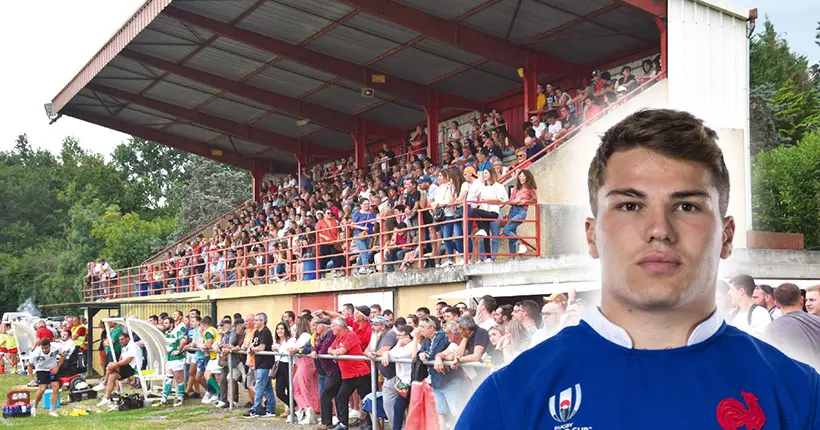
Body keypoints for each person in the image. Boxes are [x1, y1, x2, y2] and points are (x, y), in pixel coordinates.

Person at [457, 109, 820, 429]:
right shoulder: (508, 402)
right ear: (592, 234)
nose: (659, 229)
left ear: (726, 237)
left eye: (687, 206)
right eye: (630, 206)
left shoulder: (800, 397)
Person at [763, 283, 820, 370]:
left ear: (777, 304)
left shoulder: (772, 329)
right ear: (801, 300)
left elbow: (772, 364)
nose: (808, 304)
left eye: (812, 300)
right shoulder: (817, 321)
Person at [243, 312, 276, 419]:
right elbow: (253, 343)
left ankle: (255, 409)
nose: (255, 322)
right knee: (268, 387)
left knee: (260, 386)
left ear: (262, 321)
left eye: (257, 320)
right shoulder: (257, 332)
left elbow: (262, 347)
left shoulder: (266, 332)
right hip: (258, 362)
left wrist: (252, 349)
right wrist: (250, 347)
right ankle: (270, 409)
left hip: (265, 363)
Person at [97, 332, 141, 408]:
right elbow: (121, 359)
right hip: (126, 367)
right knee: (111, 376)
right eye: (120, 340)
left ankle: (104, 383)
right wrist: (116, 364)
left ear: (128, 338)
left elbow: (128, 360)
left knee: (111, 365)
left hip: (133, 368)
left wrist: (116, 364)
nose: (121, 341)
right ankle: (106, 398)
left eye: (122, 339)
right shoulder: (124, 348)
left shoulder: (132, 346)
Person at [27, 338, 65, 417]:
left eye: (46, 348)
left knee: (56, 387)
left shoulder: (57, 346)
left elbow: (63, 355)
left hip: (52, 369)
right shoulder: (36, 352)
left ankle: (52, 410)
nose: (44, 350)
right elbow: (29, 365)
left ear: (50, 346)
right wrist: (31, 380)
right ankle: (34, 407)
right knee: (42, 389)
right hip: (41, 369)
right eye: (42, 348)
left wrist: (57, 367)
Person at [158, 315, 187, 407]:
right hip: (170, 359)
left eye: (166, 323)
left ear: (171, 324)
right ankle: (164, 398)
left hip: (177, 359)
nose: (164, 325)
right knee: (168, 378)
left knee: (179, 378)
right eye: (164, 323)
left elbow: (183, 340)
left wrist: (179, 350)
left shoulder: (176, 331)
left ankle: (181, 397)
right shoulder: (166, 332)